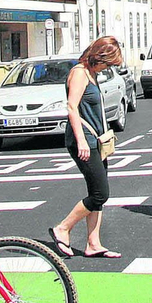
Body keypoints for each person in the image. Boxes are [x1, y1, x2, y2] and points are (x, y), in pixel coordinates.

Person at [52, 36, 126, 256]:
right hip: (82, 140)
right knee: (100, 193)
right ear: (98, 56)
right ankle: (63, 228)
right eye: (107, 64)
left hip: (97, 140)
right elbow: (72, 107)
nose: (107, 69)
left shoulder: (92, 74)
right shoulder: (79, 73)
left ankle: (93, 243)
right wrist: (82, 140)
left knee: (97, 191)